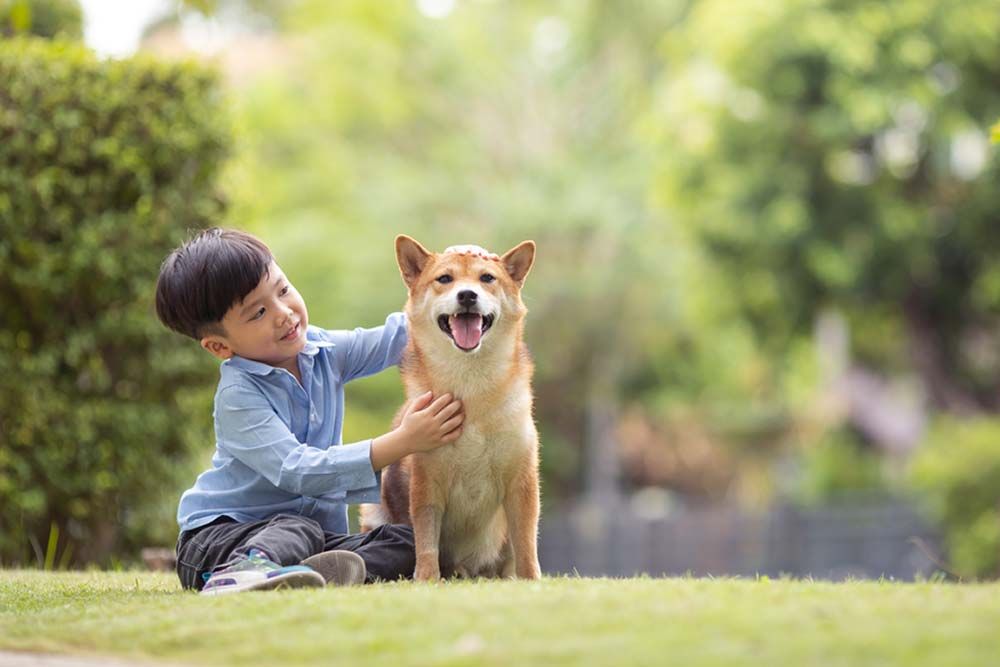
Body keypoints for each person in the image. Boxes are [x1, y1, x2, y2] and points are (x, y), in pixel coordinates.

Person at [154, 228, 463, 595]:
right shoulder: (239, 394)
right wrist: (403, 441)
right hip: (219, 539)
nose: (284, 314)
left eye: (282, 290)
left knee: (414, 544)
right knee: (297, 528)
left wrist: (451, 290)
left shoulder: (324, 351)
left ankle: (314, 573)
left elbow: (398, 337)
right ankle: (242, 572)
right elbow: (298, 470)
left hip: (313, 540)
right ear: (220, 346)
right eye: (258, 313)